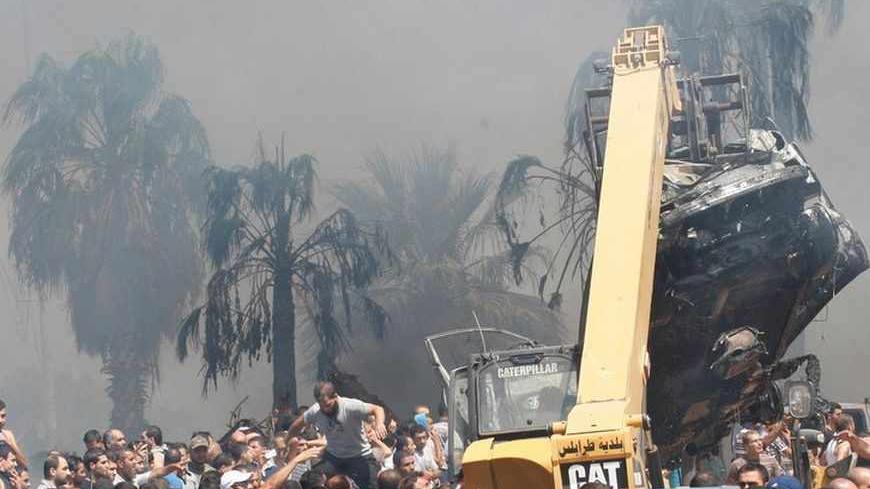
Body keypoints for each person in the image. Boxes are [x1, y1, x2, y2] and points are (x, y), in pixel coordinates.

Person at [289, 382, 387, 489]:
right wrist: (287, 441)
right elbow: (296, 426)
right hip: (334, 457)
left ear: (335, 397)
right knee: (311, 480)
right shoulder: (316, 410)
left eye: (328, 405)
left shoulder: (350, 406)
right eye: (321, 406)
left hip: (359, 455)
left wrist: (379, 423)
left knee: (370, 484)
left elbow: (377, 409)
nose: (325, 409)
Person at [0, 401, 29, 469]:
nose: (0, 420)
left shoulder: (8, 435)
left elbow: (24, 464)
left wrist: (11, 445)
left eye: (3, 416)